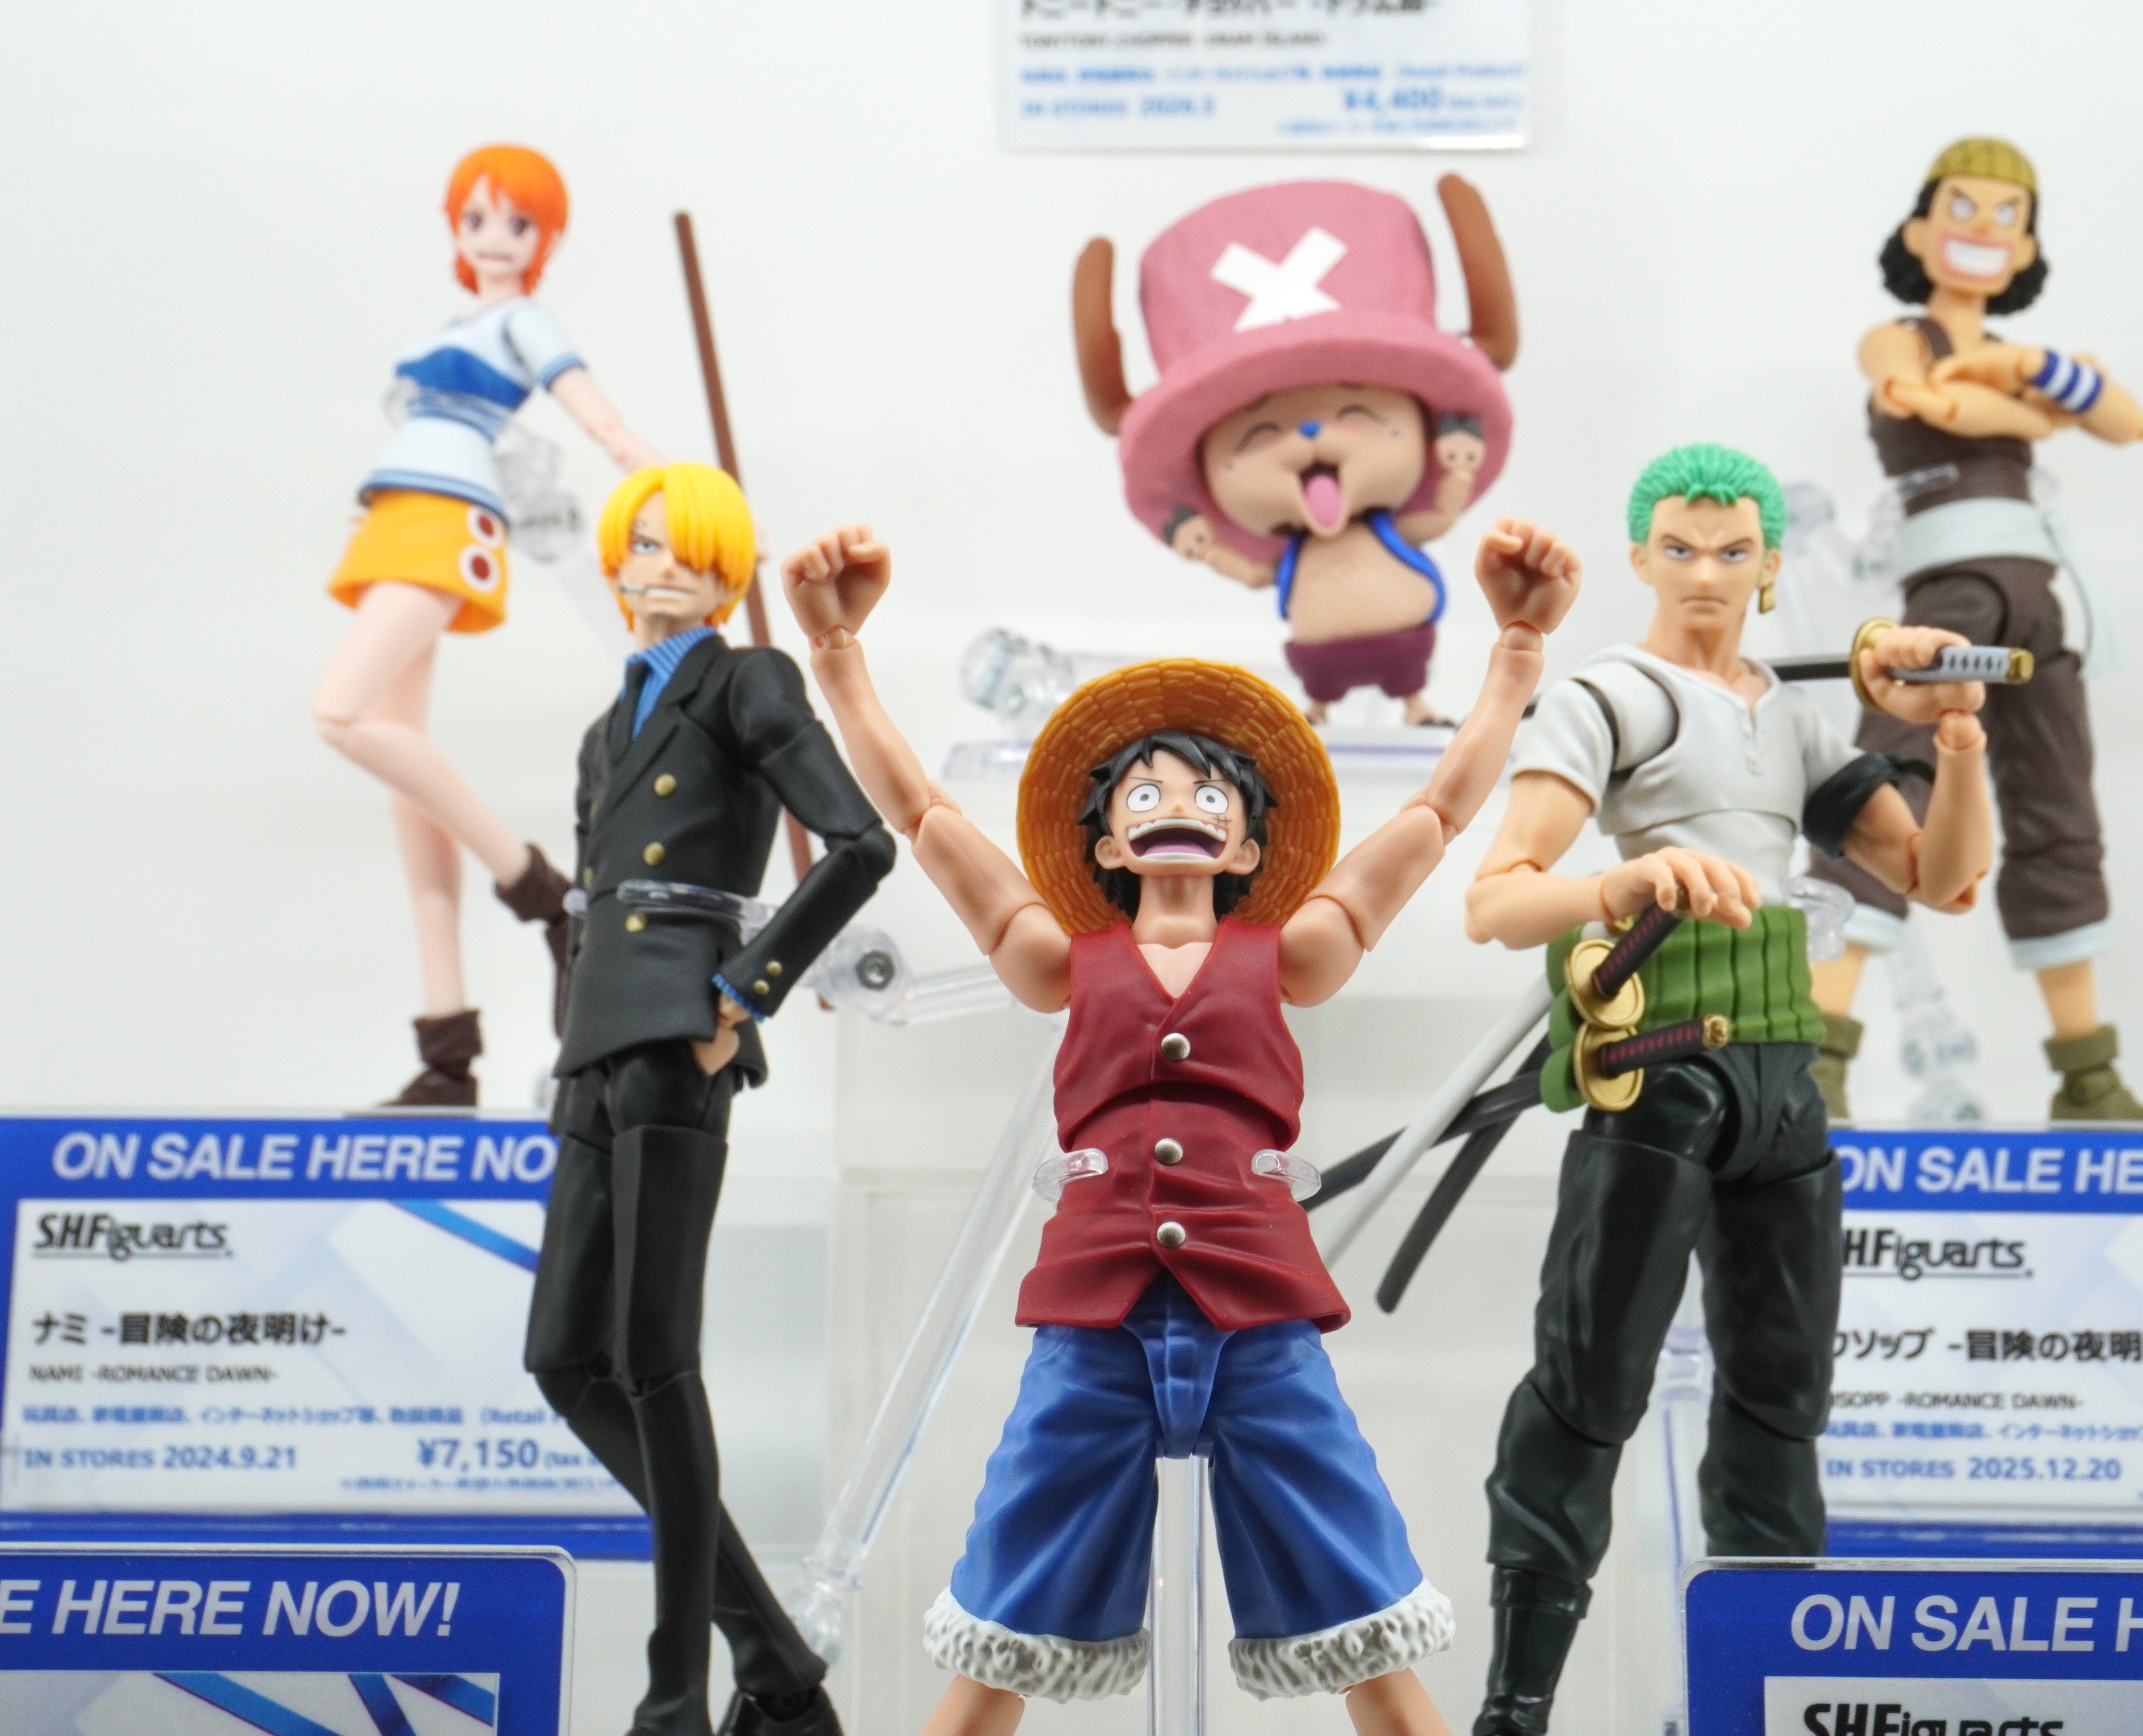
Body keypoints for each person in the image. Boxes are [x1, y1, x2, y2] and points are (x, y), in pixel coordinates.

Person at [782, 513, 1578, 1735]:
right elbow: (926, 816)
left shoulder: (1292, 950)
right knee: (1010, 1601)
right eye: (1145, 792)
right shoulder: (1059, 956)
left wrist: (1514, 656)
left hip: (1256, 1306)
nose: (1178, 807)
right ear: (1106, 838)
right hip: (1095, 1310)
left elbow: (1433, 816)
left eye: (1209, 795)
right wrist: (840, 661)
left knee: (1357, 1591)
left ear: (1247, 843)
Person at [1460, 445, 1994, 1736]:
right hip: (1659, 1075)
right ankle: (1516, 1704)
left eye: (1734, 550)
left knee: (1780, 1399)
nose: (1707, 572)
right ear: (1641, 558)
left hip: (1782, 1081)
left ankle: (1763, 1688)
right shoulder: (1610, 697)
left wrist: (1960, 737)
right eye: (1682, 548)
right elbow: (1497, 896)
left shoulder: (1791, 717)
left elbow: (1942, 880)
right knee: (1589, 1382)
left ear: (1768, 565)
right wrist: (1620, 883)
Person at [524, 464, 894, 1736]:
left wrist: (745, 989)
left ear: (727, 567)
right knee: (563, 1361)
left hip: (681, 1025)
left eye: (687, 547)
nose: (661, 566)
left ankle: (676, 1694)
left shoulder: (747, 680)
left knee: (654, 1358)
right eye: (640, 545)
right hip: (596, 1039)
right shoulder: (605, 729)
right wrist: (567, 1037)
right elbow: (592, 898)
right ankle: (776, 1666)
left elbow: (860, 844)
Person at [1804, 136, 2143, 1123]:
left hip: (2038, 596)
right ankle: (1815, 1065)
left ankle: (2089, 1079)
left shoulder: (2020, 356)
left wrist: (2028, 370)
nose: (1983, 229)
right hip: (1950, 592)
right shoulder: (1897, 338)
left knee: (2059, 812)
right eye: (1963, 206)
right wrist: (2038, 399)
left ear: (2027, 247)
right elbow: (1921, 397)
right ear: (1919, 229)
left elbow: (2129, 421)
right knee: (1886, 790)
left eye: (2006, 215)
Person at [314, 143, 663, 1104]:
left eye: (517, 221)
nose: (494, 237)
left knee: (340, 715)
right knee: (405, 788)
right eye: (476, 218)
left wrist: (661, 481)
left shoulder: (524, 321)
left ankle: (542, 894)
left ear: (544, 236)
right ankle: (447, 1055)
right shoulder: (458, 323)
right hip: (394, 519)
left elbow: (597, 417)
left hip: (445, 523)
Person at [1075, 177, 1517, 724]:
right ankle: (1317, 711)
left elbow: (1440, 517)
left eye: (1354, 409)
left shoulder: (1389, 529)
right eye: (1259, 432)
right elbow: (1255, 575)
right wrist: (1207, 550)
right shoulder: (1291, 556)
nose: (1309, 434)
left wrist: (1457, 471)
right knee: (1319, 697)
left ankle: (1414, 706)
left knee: (1407, 684)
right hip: (1317, 657)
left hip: (1407, 644)